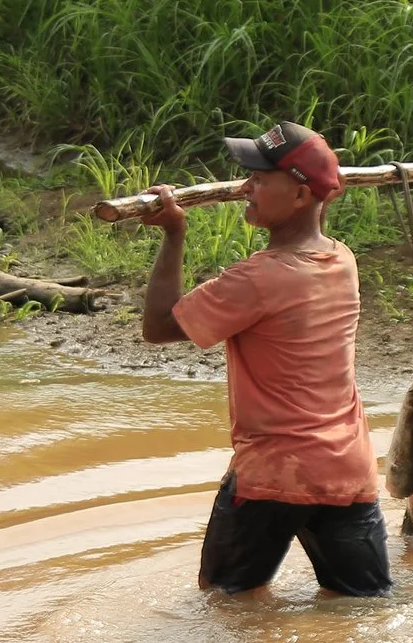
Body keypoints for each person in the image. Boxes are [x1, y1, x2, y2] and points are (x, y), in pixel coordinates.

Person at [140, 121, 391, 597]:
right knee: (360, 608)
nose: (244, 188)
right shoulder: (342, 259)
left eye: (259, 178)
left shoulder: (258, 278)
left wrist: (174, 234)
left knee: (224, 605)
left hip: (273, 473)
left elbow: (157, 329)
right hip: (345, 469)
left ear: (299, 197)